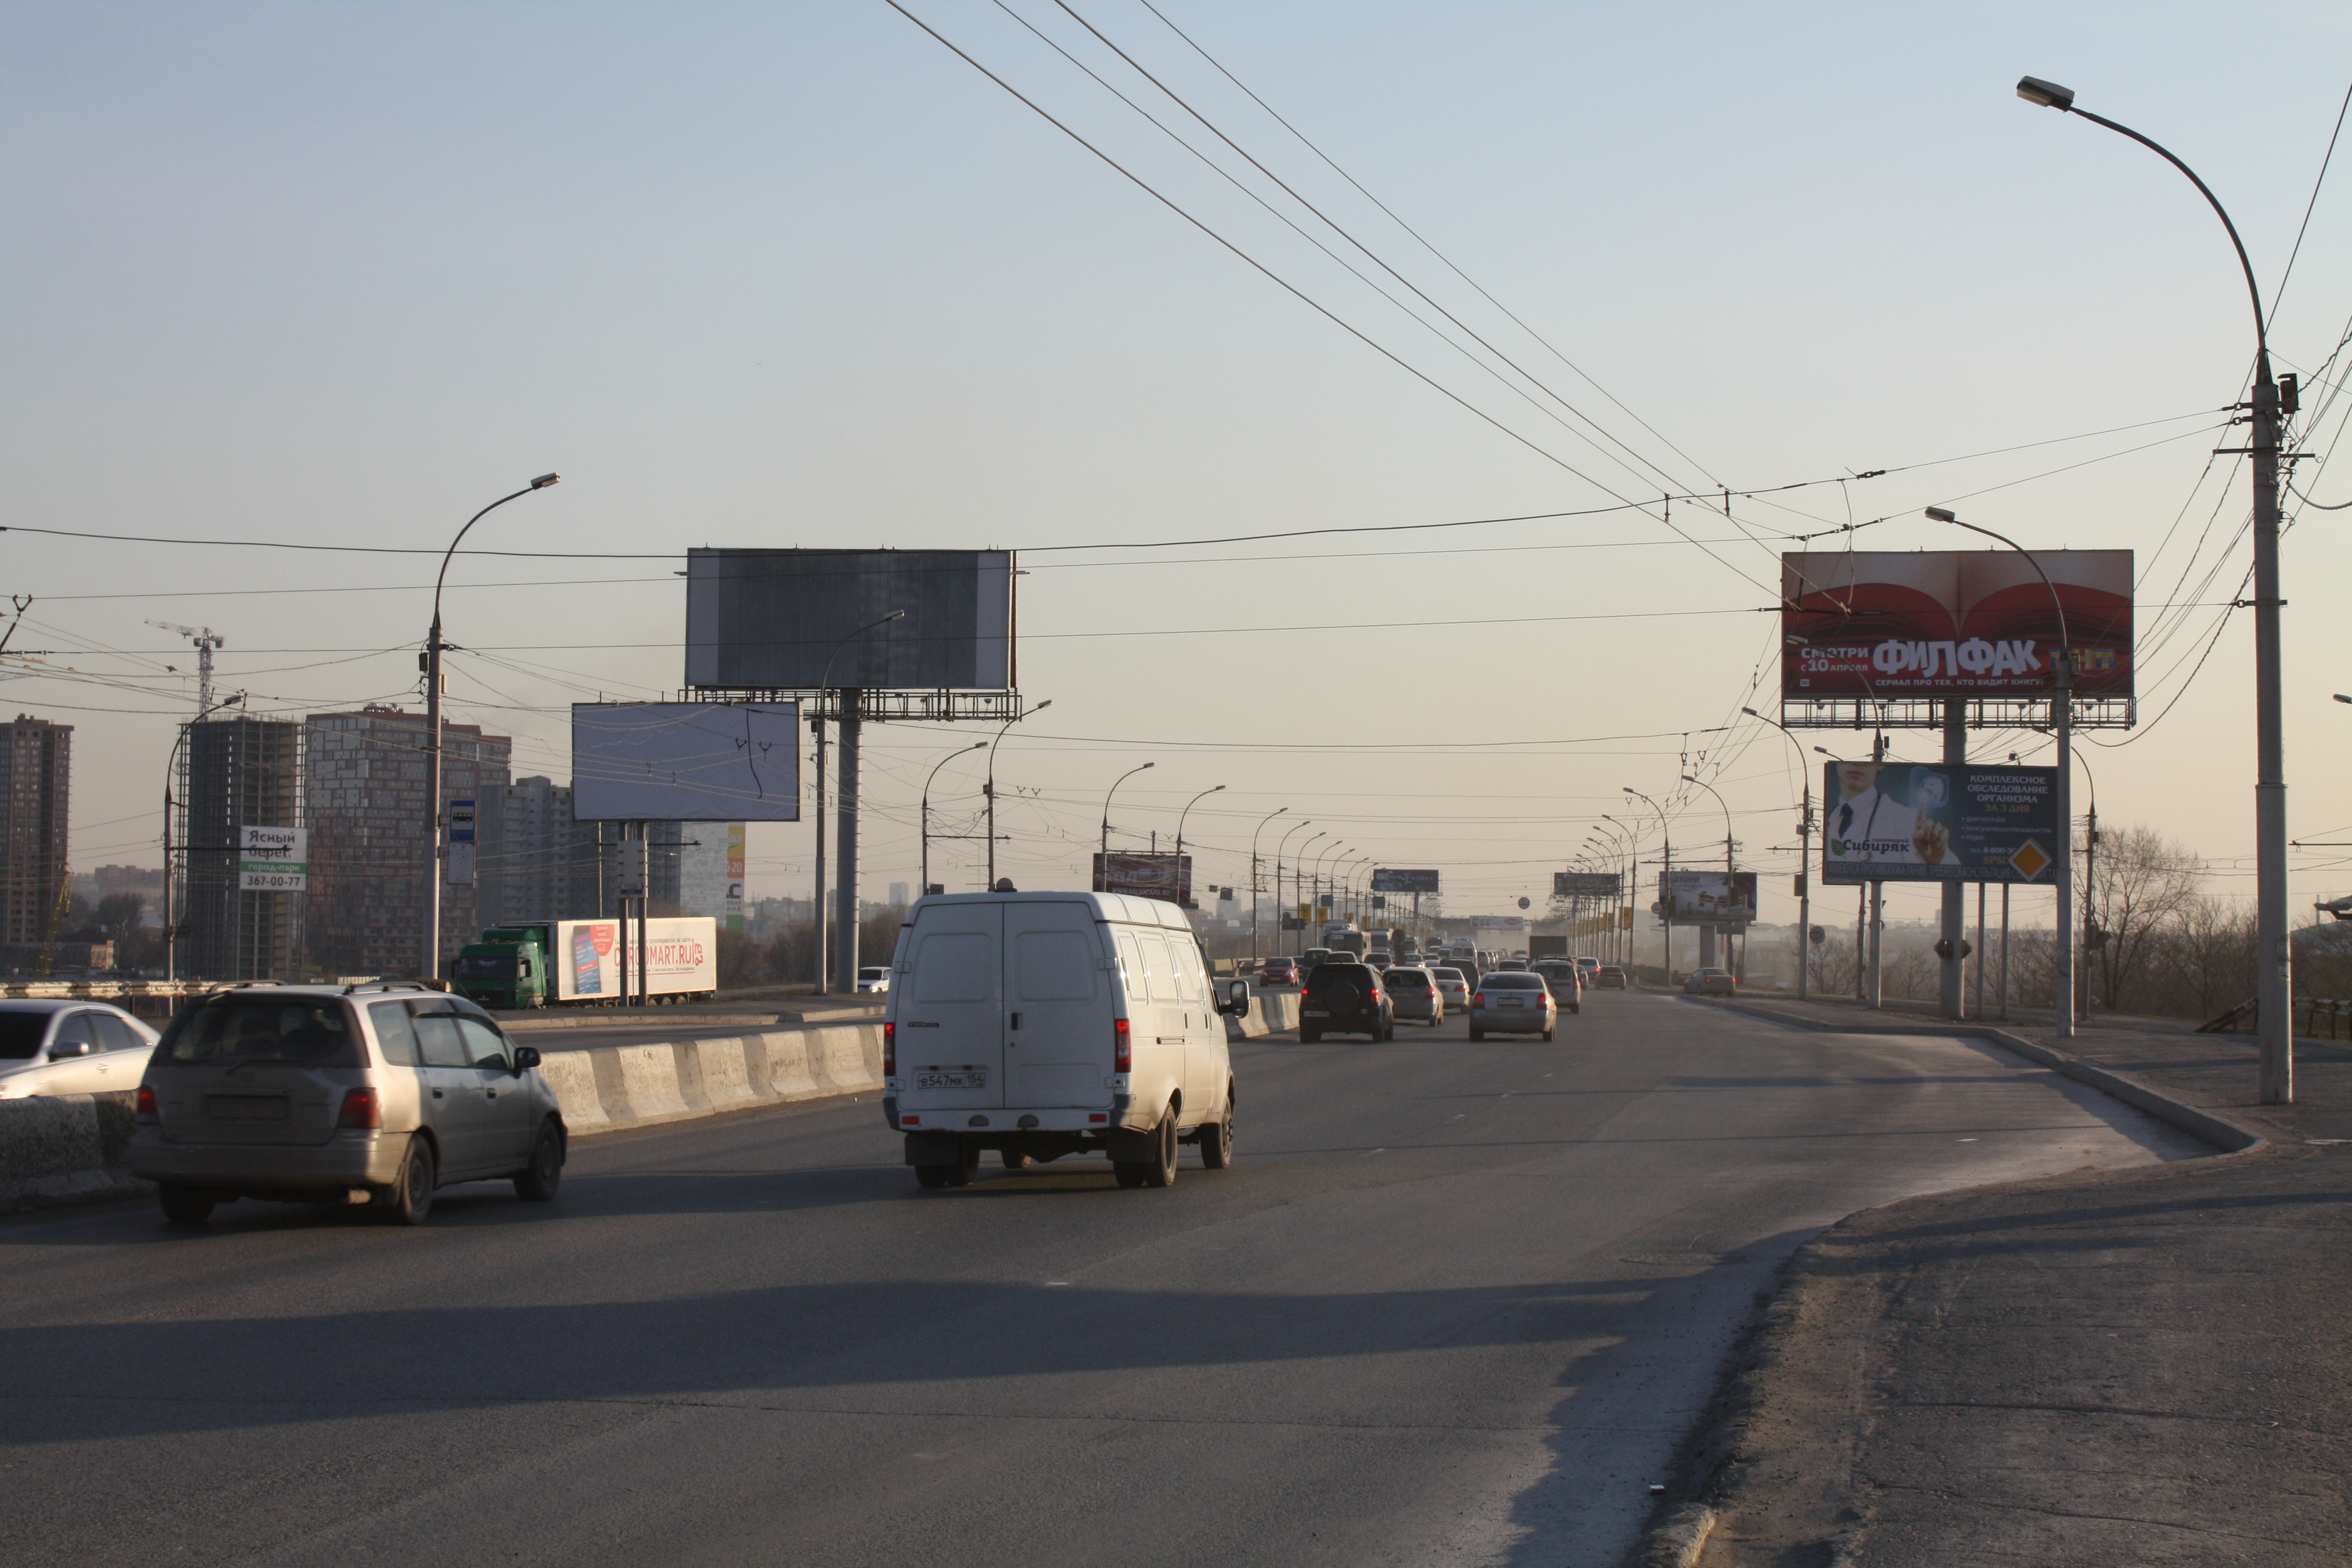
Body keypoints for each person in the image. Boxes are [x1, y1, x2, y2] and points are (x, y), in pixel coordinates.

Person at [1827, 761, 1950, 868]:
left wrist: (1935, 861)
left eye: (1866, 759)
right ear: (1838, 764)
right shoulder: (1831, 817)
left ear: (1880, 765)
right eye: (1849, 758)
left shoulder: (1906, 819)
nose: (1856, 764)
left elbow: (1954, 868)